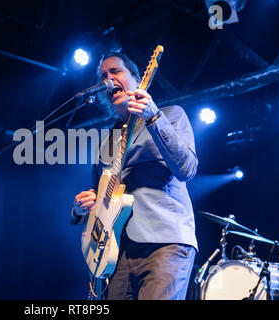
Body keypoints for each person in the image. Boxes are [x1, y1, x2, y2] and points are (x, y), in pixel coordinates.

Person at [71, 51, 198, 300]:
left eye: (115, 72)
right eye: (103, 76)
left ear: (138, 78)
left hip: (165, 243)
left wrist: (153, 118)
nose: (108, 79)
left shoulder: (171, 115)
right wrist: (79, 208)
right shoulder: (107, 141)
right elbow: (99, 197)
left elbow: (187, 169)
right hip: (117, 252)